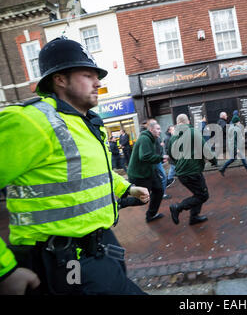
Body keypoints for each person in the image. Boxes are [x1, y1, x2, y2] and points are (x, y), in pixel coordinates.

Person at [0, 37, 149, 295]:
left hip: (102, 246)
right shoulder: (30, 121)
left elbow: (94, 171)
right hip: (64, 261)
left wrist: (126, 189)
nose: (98, 83)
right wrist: (4, 270)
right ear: (60, 79)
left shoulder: (86, 122)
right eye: (88, 75)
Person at [168, 114, 218, 226]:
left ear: (177, 123)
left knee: (198, 193)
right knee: (203, 195)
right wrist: (214, 161)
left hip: (181, 173)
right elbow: (205, 150)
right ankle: (178, 207)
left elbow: (171, 155)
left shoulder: (172, 137)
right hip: (192, 172)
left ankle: (194, 217)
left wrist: (180, 164)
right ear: (188, 121)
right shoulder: (192, 132)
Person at [127, 121, 168, 222]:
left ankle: (151, 215)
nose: (160, 131)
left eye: (160, 129)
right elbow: (145, 156)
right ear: (151, 130)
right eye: (158, 129)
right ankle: (120, 203)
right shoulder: (145, 138)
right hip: (139, 174)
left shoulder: (151, 139)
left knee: (159, 190)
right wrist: (161, 158)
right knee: (142, 199)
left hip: (148, 172)